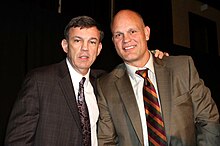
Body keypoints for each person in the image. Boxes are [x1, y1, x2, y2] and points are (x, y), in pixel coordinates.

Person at [4, 15, 167, 146]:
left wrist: (154, 57)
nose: (85, 48)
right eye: (77, 41)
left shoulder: (104, 81)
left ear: (99, 49)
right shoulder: (40, 81)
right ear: (65, 45)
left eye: (92, 42)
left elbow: (134, 69)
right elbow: (17, 140)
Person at [97, 9, 220, 146]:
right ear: (113, 41)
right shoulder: (106, 86)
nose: (126, 40)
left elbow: (208, 120)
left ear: (146, 33)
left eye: (132, 31)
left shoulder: (182, 68)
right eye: (119, 34)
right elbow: (106, 141)